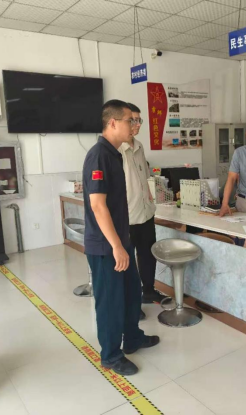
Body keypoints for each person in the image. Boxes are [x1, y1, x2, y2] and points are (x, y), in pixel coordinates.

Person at [83, 99, 159, 376]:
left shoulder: (114, 154)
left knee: (130, 294)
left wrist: (123, 242)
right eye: (130, 120)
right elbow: (98, 205)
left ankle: (133, 337)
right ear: (113, 122)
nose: (135, 125)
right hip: (106, 246)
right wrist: (116, 246)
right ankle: (111, 356)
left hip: (120, 240)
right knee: (111, 302)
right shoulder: (99, 155)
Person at [118, 103, 168, 312]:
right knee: (127, 263)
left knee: (148, 255)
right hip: (128, 217)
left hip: (146, 212)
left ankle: (148, 290)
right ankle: (131, 303)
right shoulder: (116, 149)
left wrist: (150, 198)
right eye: (133, 120)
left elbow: (144, 177)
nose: (137, 124)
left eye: (139, 120)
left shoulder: (139, 146)